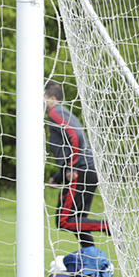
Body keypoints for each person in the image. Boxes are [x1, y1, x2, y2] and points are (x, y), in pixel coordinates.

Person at [44, 80, 109, 249]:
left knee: (64, 220)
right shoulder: (60, 113)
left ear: (51, 98)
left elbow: (76, 136)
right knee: (78, 222)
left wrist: (71, 167)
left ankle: (110, 227)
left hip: (80, 172)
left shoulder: (55, 113)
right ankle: (92, 260)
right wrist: (58, 177)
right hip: (86, 171)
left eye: (41, 97)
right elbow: (68, 148)